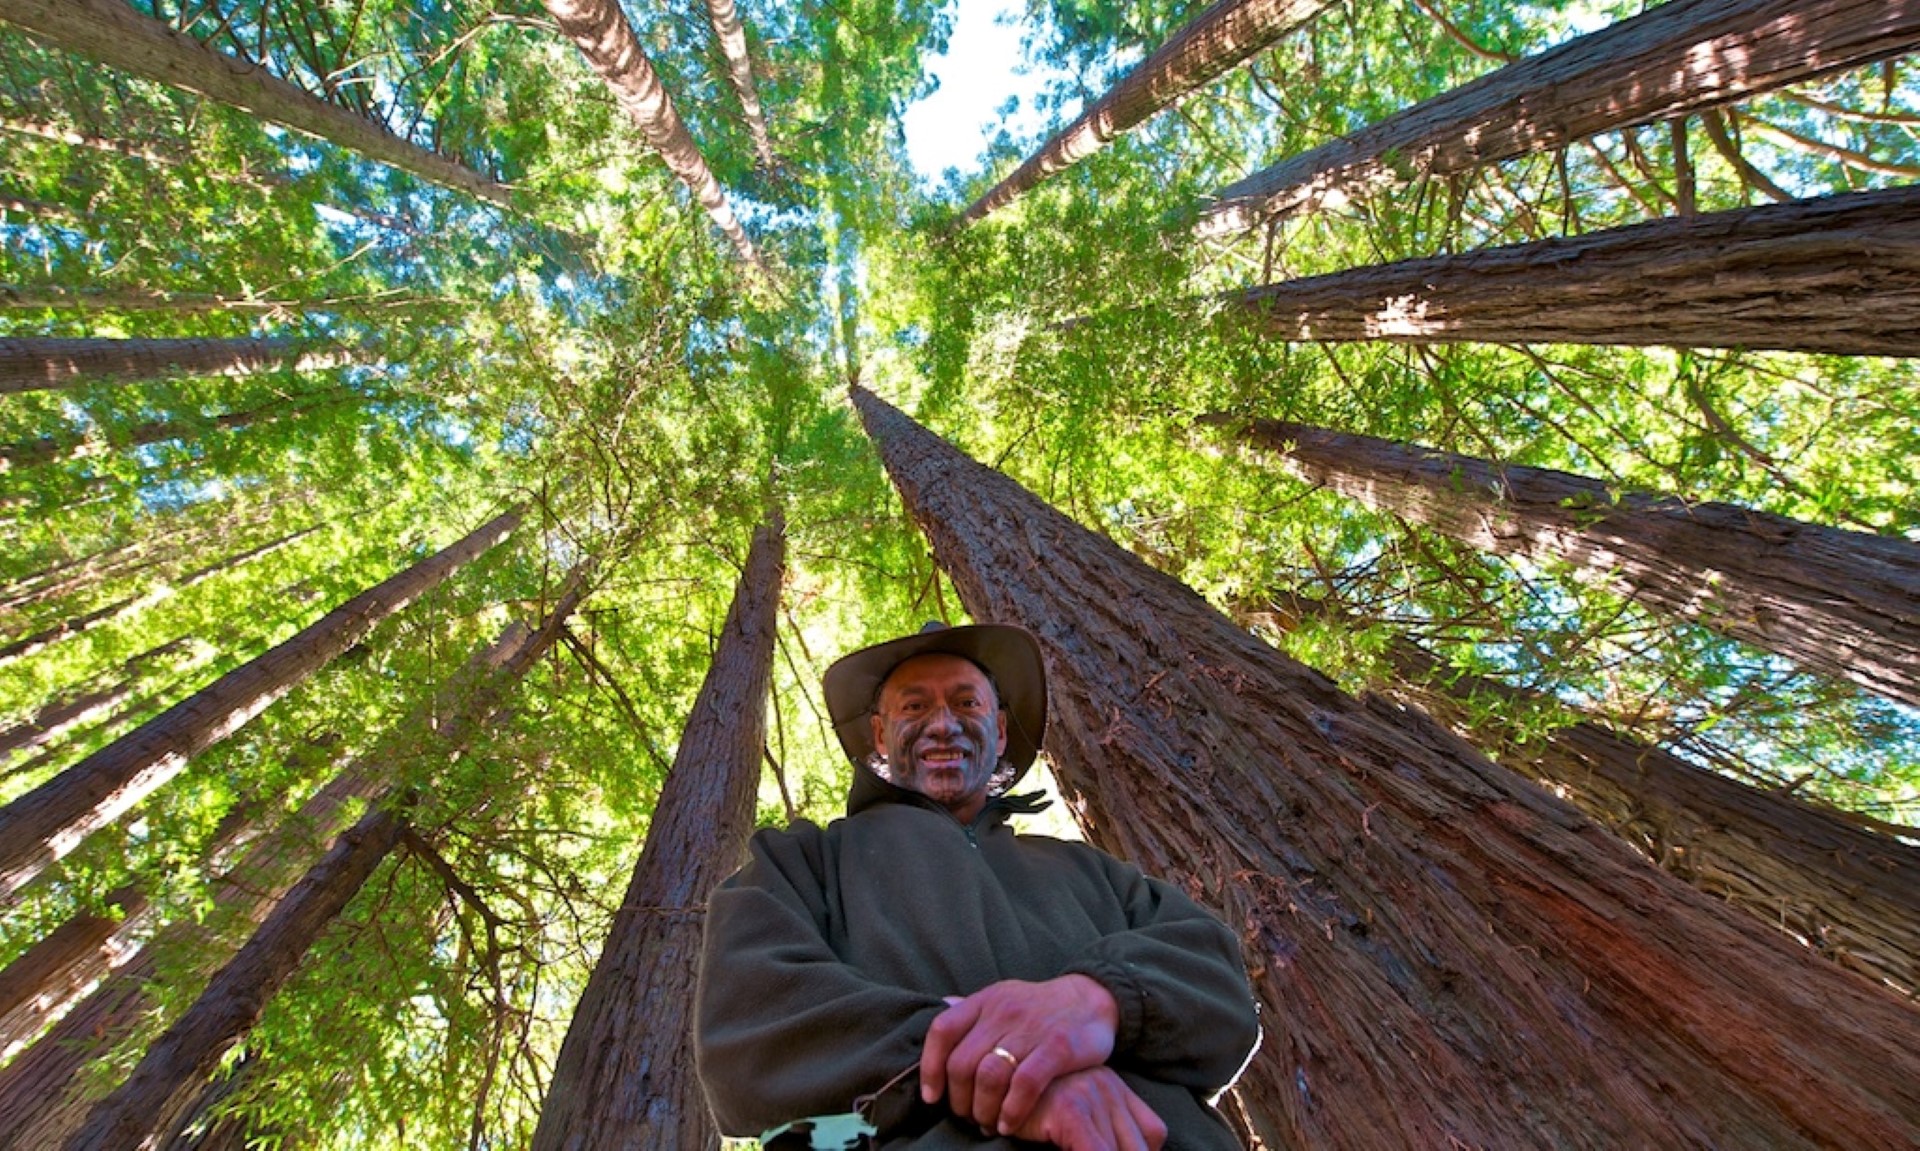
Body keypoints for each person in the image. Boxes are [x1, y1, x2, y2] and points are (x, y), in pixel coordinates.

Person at [694, 622, 1260, 1150]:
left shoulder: (1092, 871)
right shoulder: (800, 862)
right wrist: (1005, 1066)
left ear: (999, 729)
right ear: (880, 735)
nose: (943, 723)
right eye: (914, 706)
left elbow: (1214, 973)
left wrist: (1097, 998)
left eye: (966, 703)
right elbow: (750, 1035)